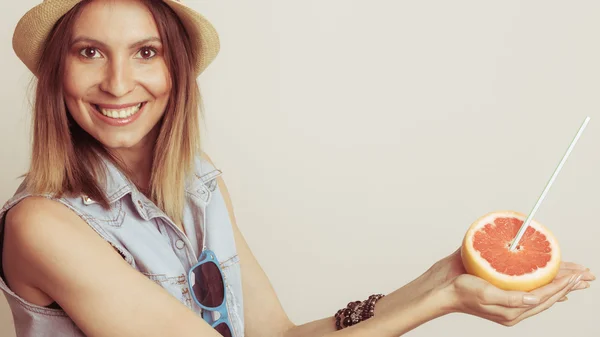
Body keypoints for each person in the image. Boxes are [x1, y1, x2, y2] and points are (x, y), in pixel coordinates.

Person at [0, 1, 595, 336]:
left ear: (176, 70)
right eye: (89, 52)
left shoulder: (199, 184)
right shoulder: (41, 227)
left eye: (146, 52)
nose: (119, 83)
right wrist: (439, 304)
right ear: (59, 72)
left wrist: (439, 279)